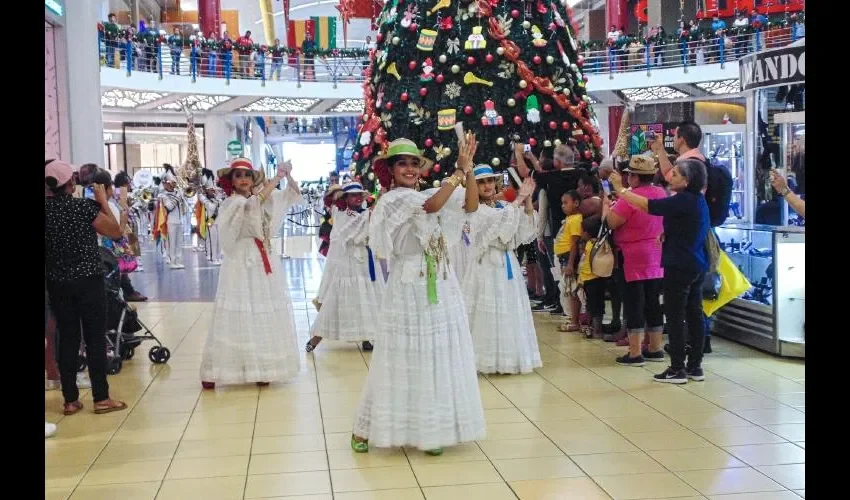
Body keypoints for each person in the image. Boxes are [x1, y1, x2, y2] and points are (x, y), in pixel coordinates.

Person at [351, 136, 483, 456]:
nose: (409, 168)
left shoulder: (426, 192)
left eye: (414, 163)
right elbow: (431, 206)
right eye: (402, 163)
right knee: (402, 356)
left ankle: (430, 429)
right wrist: (457, 173)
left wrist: (468, 174)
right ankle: (365, 428)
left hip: (441, 281)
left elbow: (471, 205)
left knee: (436, 354)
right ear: (391, 171)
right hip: (410, 285)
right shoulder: (393, 200)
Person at [200, 158, 303, 388]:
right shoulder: (233, 203)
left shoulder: (258, 199)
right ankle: (216, 369)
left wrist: (287, 176)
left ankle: (261, 367)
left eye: (247, 175)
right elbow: (255, 203)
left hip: (262, 258)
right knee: (239, 308)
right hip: (240, 259)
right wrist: (276, 178)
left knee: (260, 309)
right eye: (238, 176)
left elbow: (291, 196)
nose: (244, 179)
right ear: (231, 181)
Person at [609, 158, 710, 384]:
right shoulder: (697, 200)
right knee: (694, 314)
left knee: (675, 316)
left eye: (674, 175)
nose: (668, 178)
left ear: (686, 181)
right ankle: (695, 365)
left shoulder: (682, 200)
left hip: (679, 265)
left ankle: (677, 369)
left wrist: (620, 190)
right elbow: (686, 226)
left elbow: (648, 206)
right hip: (696, 263)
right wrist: (668, 234)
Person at [45, 160, 127, 415]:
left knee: (67, 338)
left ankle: (70, 400)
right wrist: (103, 200)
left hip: (57, 283)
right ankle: (101, 398)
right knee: (93, 338)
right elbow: (115, 231)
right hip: (89, 281)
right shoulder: (83, 207)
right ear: (70, 183)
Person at [463, 165, 540, 374]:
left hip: (508, 263)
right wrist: (518, 200)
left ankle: (509, 359)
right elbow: (497, 226)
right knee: (485, 312)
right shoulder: (474, 209)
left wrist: (527, 201)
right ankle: (484, 360)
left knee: (508, 309)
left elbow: (524, 232)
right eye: (481, 182)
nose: (487, 186)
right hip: (486, 264)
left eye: (489, 181)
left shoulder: (503, 205)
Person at [604, 154, 666, 365]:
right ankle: (656, 348)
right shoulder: (661, 193)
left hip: (631, 256)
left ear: (634, 177)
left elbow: (612, 223)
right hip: (656, 253)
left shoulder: (629, 199)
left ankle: (635, 352)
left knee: (634, 303)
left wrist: (608, 207)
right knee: (653, 302)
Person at [306, 181, 383, 353]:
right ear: (346, 198)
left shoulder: (364, 213)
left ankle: (367, 336)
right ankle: (316, 338)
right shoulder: (341, 214)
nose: (356, 198)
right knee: (338, 299)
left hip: (365, 260)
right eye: (353, 195)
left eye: (359, 195)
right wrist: (370, 214)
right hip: (348, 262)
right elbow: (349, 234)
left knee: (366, 298)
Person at [518, 145, 582, 314]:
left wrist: (519, 153)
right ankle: (577, 310)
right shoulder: (583, 174)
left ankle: (565, 307)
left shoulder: (553, 178)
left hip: (559, 231)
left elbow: (527, 174)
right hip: (582, 229)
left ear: (557, 161)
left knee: (562, 270)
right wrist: (532, 157)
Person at [553, 190, 583, 332]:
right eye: (562, 203)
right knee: (569, 289)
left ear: (576, 203)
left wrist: (571, 264)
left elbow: (574, 243)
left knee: (572, 290)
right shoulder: (570, 218)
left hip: (569, 257)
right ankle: (573, 318)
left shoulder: (576, 219)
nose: (563, 206)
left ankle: (575, 321)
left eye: (566, 202)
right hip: (563, 257)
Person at [576, 216, 606, 339]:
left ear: (588, 233)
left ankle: (597, 329)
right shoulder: (589, 243)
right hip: (588, 279)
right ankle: (592, 326)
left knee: (596, 305)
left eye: (583, 231)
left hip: (595, 278)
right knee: (591, 304)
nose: (581, 233)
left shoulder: (594, 244)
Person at [157, 165, 188, 269]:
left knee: (179, 242)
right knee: (171, 243)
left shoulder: (177, 193)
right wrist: (178, 196)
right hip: (170, 221)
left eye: (174, 183)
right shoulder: (163, 195)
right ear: (165, 183)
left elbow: (184, 208)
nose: (172, 186)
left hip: (179, 220)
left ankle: (178, 260)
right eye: (170, 183)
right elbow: (169, 206)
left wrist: (183, 197)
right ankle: (172, 261)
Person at [197, 169, 223, 265]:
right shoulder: (203, 198)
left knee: (219, 240)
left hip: (218, 220)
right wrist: (217, 200)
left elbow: (222, 206)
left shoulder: (216, 198)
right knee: (212, 239)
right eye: (211, 190)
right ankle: (213, 258)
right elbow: (211, 207)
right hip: (210, 220)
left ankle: (219, 256)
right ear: (207, 191)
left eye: (213, 189)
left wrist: (219, 199)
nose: (213, 191)